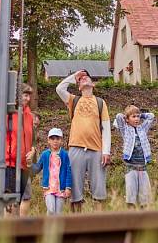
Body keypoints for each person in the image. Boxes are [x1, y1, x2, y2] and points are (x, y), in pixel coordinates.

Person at [56, 69, 111, 211]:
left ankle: (99, 226)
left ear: (93, 84)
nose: (84, 79)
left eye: (87, 77)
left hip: (96, 150)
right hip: (76, 149)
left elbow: (106, 128)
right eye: (81, 79)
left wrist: (106, 151)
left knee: (99, 192)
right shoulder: (73, 100)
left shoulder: (100, 102)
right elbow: (59, 88)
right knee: (75, 192)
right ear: (78, 86)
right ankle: (77, 225)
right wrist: (74, 76)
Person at [5, 84, 39, 216]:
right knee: (9, 201)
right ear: (16, 96)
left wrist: (33, 150)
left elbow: (32, 138)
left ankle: (16, 232)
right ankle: (6, 233)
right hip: (10, 163)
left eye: (29, 95)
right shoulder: (8, 113)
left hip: (24, 165)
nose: (28, 98)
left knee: (19, 201)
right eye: (25, 95)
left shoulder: (29, 115)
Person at [114, 105, 155, 207]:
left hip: (142, 166)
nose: (137, 119)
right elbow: (119, 117)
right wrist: (126, 116)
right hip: (131, 166)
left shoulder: (142, 129)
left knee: (145, 195)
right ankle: (131, 213)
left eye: (138, 116)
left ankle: (144, 213)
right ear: (127, 119)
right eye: (134, 117)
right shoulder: (125, 129)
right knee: (131, 193)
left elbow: (151, 116)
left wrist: (141, 115)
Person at [29, 127, 72, 214]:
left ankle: (57, 227)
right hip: (48, 188)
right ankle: (49, 225)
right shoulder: (45, 154)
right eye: (52, 139)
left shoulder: (65, 155)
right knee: (51, 210)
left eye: (57, 139)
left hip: (61, 189)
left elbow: (68, 171)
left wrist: (68, 187)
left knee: (58, 213)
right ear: (48, 140)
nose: (55, 141)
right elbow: (37, 168)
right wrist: (30, 165)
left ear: (61, 140)